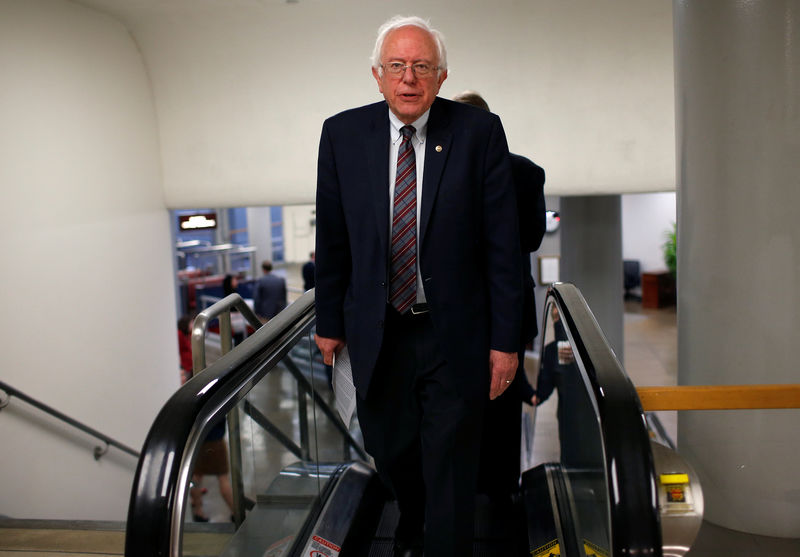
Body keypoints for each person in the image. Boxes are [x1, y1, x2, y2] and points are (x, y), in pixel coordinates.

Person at [314, 15, 523, 557]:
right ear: (378, 76)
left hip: (454, 333)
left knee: (452, 463)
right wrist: (330, 324)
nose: (409, 78)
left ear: (442, 75)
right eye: (398, 66)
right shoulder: (341, 134)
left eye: (422, 67)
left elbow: (504, 246)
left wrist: (506, 342)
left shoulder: (478, 133)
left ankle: (443, 544)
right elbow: (334, 238)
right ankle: (413, 517)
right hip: (377, 331)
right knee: (392, 449)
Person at [452, 91, 547, 503]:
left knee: (462, 405)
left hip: (467, 311)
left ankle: (468, 489)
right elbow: (532, 238)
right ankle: (502, 491)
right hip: (507, 308)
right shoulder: (524, 171)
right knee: (502, 405)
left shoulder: (448, 172)